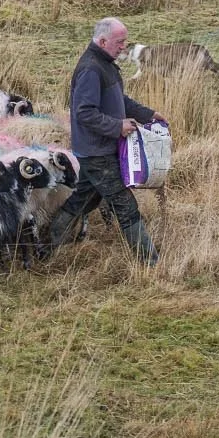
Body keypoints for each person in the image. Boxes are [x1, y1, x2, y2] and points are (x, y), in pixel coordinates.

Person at [47, 16, 166, 265]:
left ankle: (46, 246)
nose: (124, 47)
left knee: (84, 199)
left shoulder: (105, 63)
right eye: (119, 42)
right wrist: (117, 126)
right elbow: (84, 112)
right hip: (96, 152)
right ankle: (151, 262)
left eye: (125, 41)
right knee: (125, 205)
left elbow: (118, 100)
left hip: (100, 149)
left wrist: (148, 114)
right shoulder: (91, 69)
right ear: (102, 41)